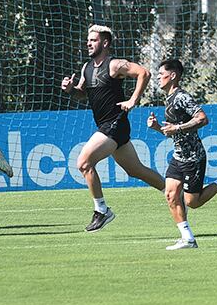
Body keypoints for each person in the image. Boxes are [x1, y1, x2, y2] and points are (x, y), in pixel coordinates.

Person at [60, 25, 165, 231]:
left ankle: (102, 210)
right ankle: (172, 191)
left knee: (83, 163)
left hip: (115, 125)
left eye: (93, 40)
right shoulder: (86, 68)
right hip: (107, 126)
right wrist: (71, 89)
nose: (88, 43)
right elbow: (83, 93)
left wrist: (133, 100)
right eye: (88, 40)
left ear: (105, 43)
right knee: (137, 171)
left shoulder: (115, 65)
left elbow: (144, 73)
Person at [146, 59, 217, 250]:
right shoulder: (169, 98)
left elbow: (203, 118)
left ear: (172, 76)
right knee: (171, 195)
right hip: (179, 156)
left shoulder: (181, 97)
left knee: (192, 202)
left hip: (193, 158)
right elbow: (174, 132)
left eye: (161, 74)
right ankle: (187, 239)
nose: (158, 78)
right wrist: (157, 128)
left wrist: (177, 127)